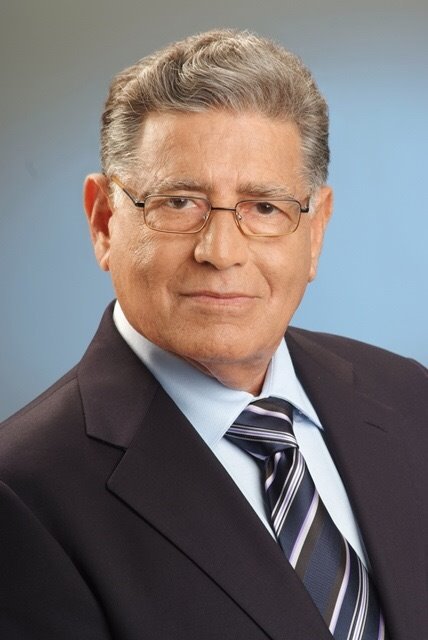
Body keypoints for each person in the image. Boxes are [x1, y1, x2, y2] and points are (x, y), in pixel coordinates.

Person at [0, 28, 426, 640]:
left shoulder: (408, 396)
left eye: (265, 207)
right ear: (104, 222)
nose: (221, 251)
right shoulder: (22, 493)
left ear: (316, 232)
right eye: (178, 202)